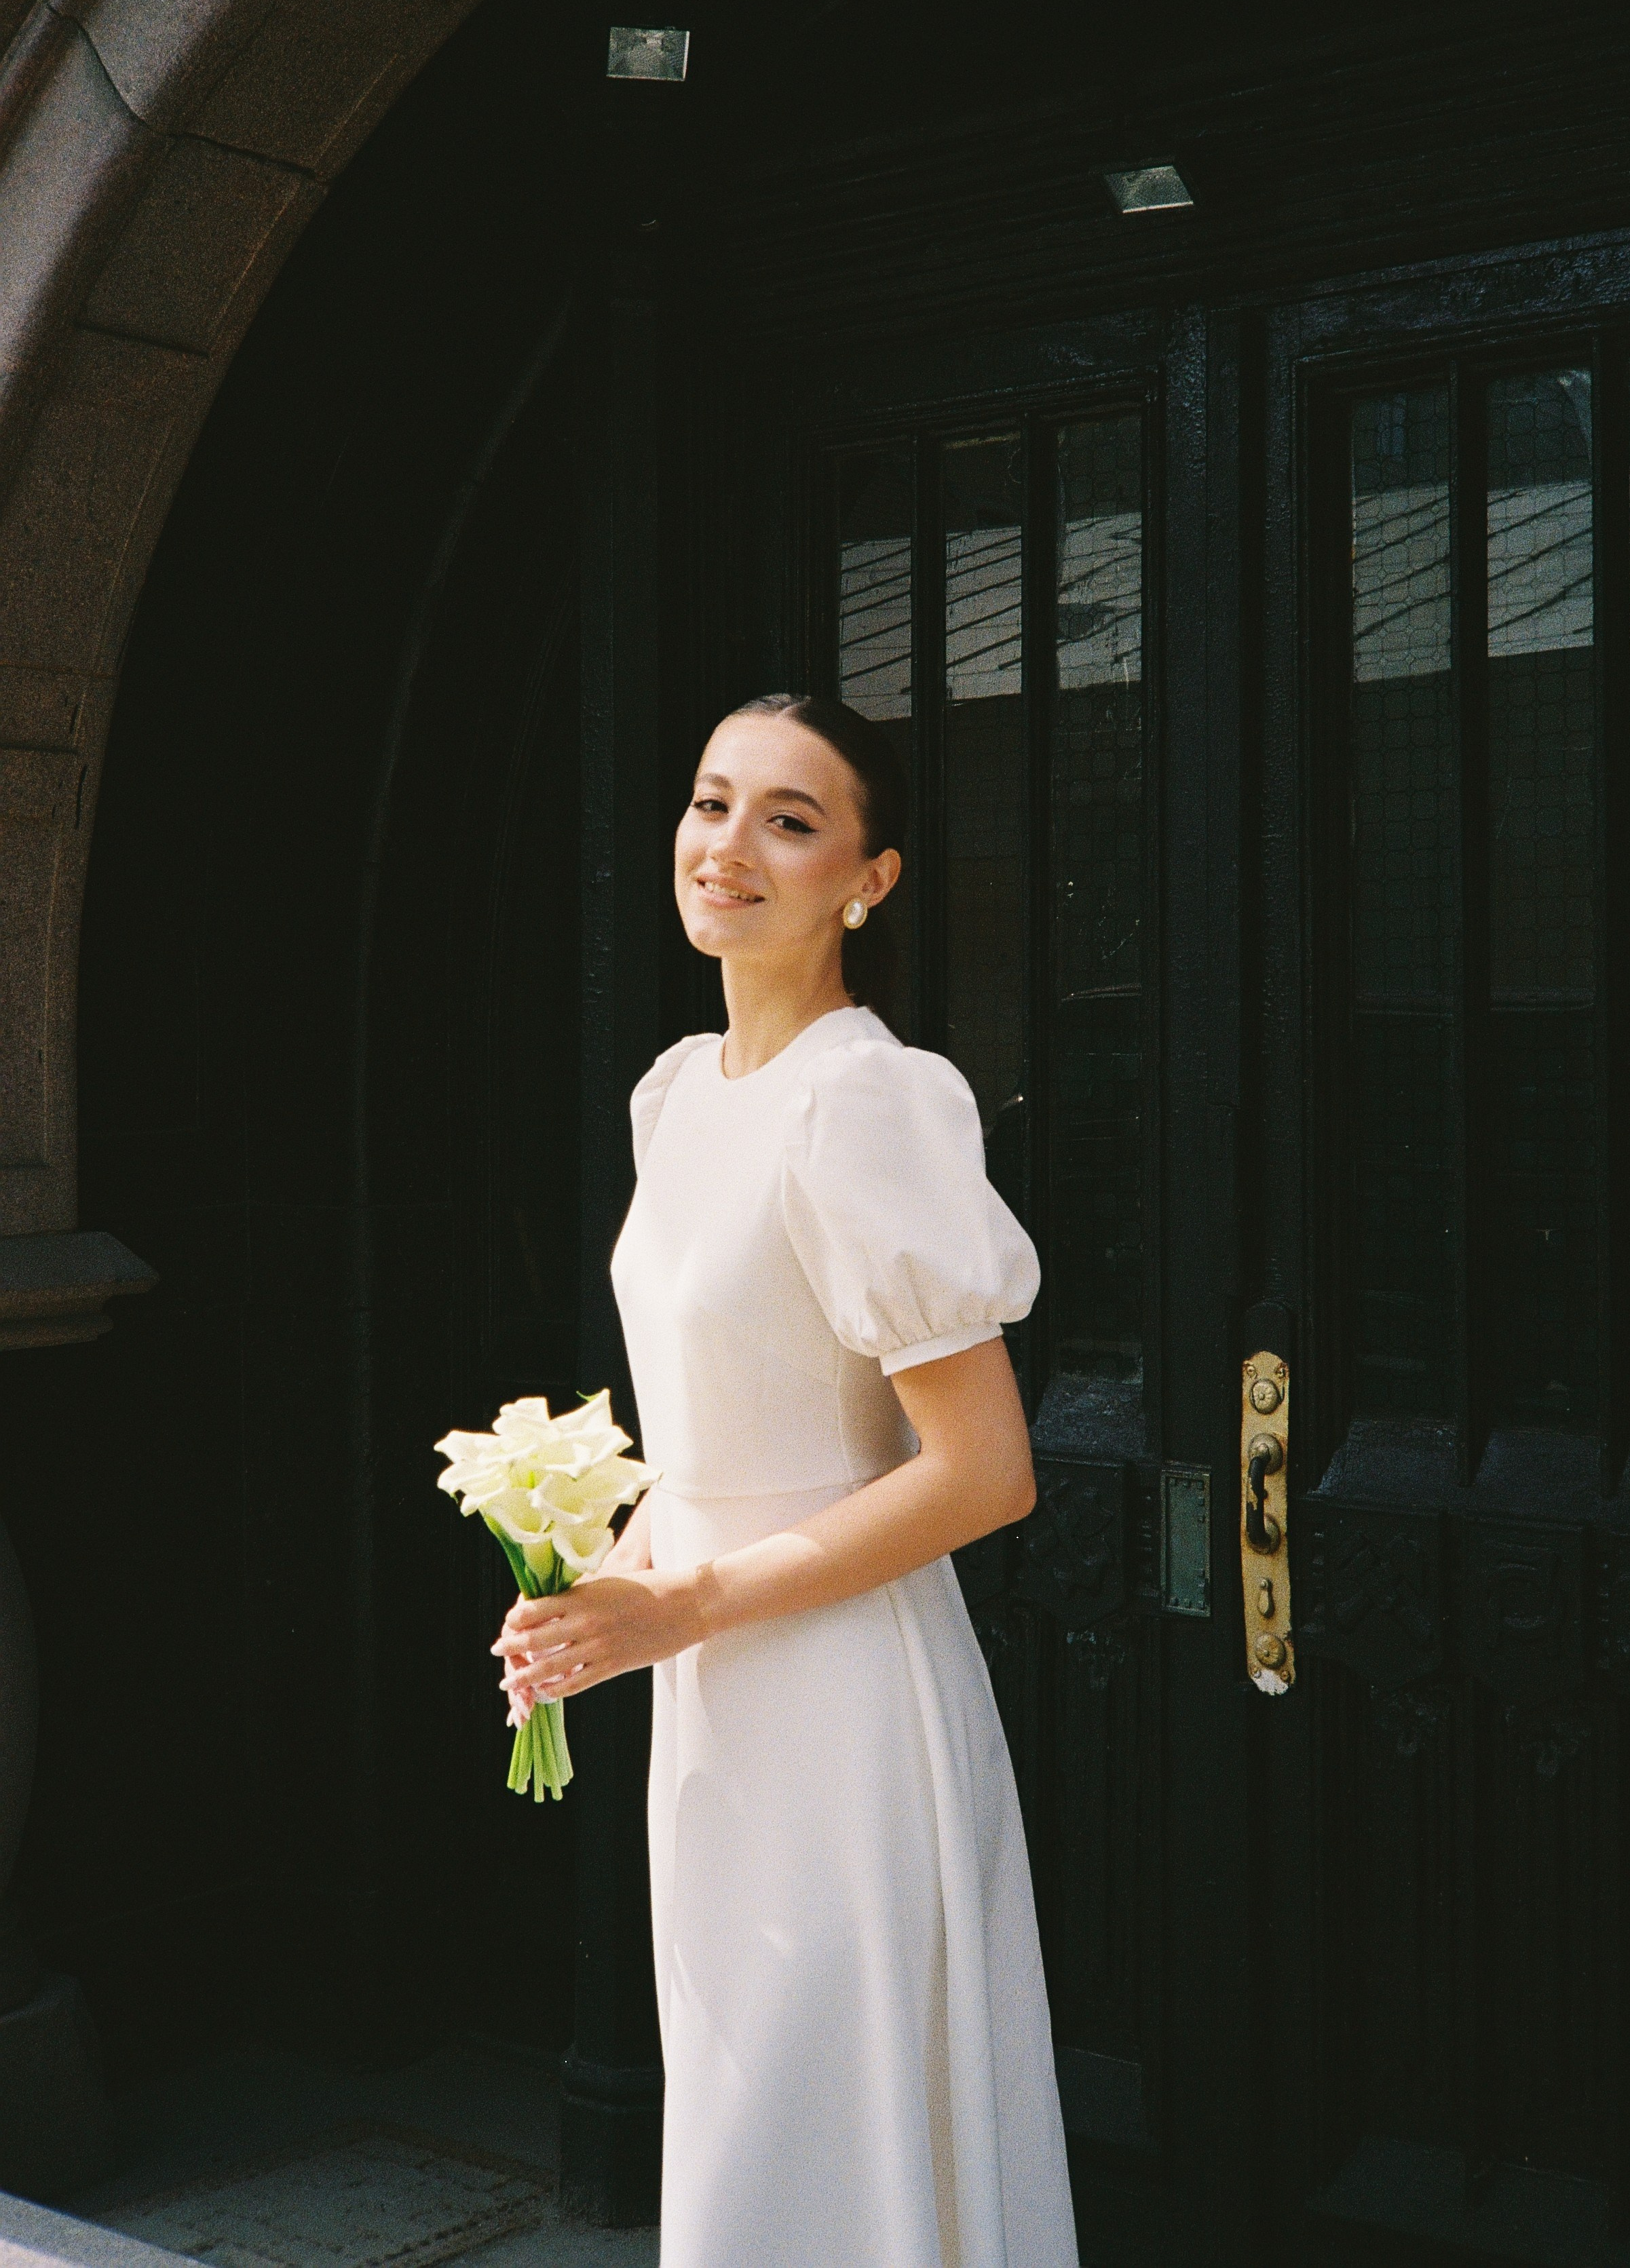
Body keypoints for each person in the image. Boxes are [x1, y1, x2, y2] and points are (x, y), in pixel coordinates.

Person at [497, 693, 1080, 2268]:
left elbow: (983, 1472)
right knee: (746, 2117)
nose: (727, 845)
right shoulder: (681, 1091)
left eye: (789, 819)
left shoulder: (863, 1099)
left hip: (841, 1703)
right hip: (714, 1696)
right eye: (710, 802)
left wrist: (680, 1602)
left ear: (868, 881)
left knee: (827, 2123)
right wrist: (593, 1587)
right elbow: (719, 1420)